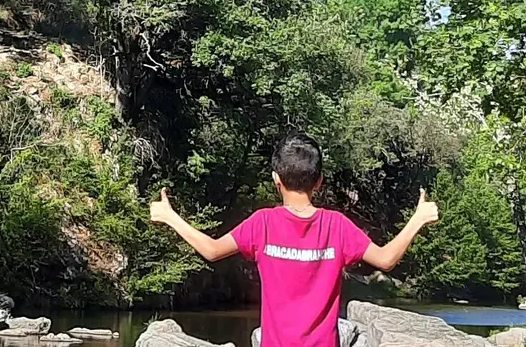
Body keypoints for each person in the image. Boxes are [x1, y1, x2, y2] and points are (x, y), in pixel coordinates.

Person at [150, 134, 439, 347]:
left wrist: (170, 216)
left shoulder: (263, 223)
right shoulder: (336, 226)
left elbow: (212, 250)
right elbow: (386, 259)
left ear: (276, 179)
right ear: (319, 181)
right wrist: (417, 219)